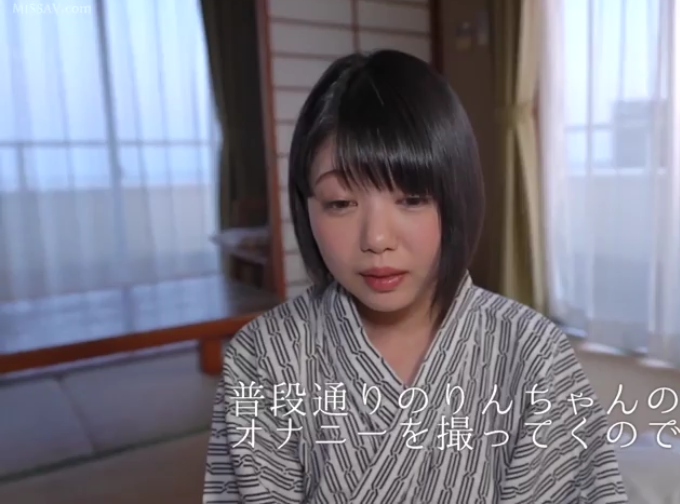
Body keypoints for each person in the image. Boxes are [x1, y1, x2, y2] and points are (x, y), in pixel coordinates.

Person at [203, 49, 627, 503]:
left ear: (457, 197)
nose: (377, 238)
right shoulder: (263, 356)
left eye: (411, 199)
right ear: (307, 208)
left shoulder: (534, 352)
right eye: (340, 203)